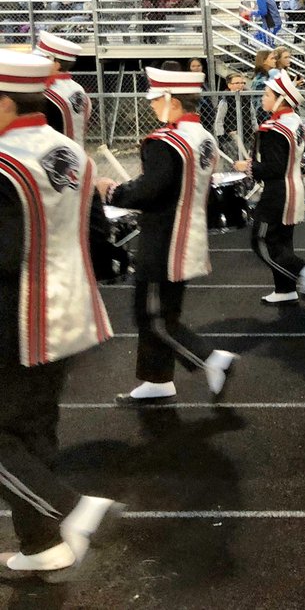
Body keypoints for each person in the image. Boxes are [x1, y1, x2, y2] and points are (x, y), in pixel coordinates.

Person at [0, 49, 122, 582]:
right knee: (33, 431)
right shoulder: (71, 152)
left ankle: (66, 505)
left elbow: (4, 255)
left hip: (12, 320)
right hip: (65, 313)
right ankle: (43, 545)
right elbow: (94, 231)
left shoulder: (3, 163)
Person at [94, 66, 237, 405]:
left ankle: (211, 359)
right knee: (163, 312)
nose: (153, 105)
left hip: (163, 241)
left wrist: (112, 191)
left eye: (157, 99)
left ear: (171, 99)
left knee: (151, 315)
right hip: (189, 237)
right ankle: (157, 380)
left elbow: (151, 190)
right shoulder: (203, 138)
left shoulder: (165, 142)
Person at [234, 72, 305, 305]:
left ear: (281, 98)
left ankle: (302, 270)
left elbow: (274, 167)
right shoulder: (294, 121)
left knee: (260, 240)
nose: (263, 98)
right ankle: (285, 289)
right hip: (294, 186)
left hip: (277, 191)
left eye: (267, 94)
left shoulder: (274, 128)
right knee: (282, 241)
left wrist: (249, 166)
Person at [35, 32, 90, 147]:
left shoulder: (45, 94)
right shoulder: (79, 89)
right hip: (78, 156)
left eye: (41, 59)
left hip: (53, 159)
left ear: (56, 65)